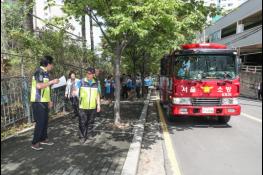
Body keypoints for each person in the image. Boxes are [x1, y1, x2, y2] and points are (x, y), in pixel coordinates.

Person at [30, 55, 59, 151]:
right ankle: (35, 143)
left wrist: (49, 100)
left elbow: (46, 89)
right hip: (38, 101)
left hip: (44, 101)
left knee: (45, 121)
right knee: (40, 122)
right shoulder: (39, 71)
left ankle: (43, 139)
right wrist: (52, 82)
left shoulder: (46, 73)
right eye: (52, 64)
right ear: (48, 63)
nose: (52, 66)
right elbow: (39, 86)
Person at [77, 67, 101, 144]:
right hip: (83, 106)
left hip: (92, 106)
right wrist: (75, 92)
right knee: (82, 122)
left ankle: (89, 134)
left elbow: (98, 95)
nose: (88, 74)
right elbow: (76, 90)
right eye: (87, 73)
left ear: (93, 74)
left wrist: (98, 105)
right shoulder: (81, 82)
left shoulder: (96, 83)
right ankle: (82, 137)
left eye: (90, 73)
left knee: (91, 122)